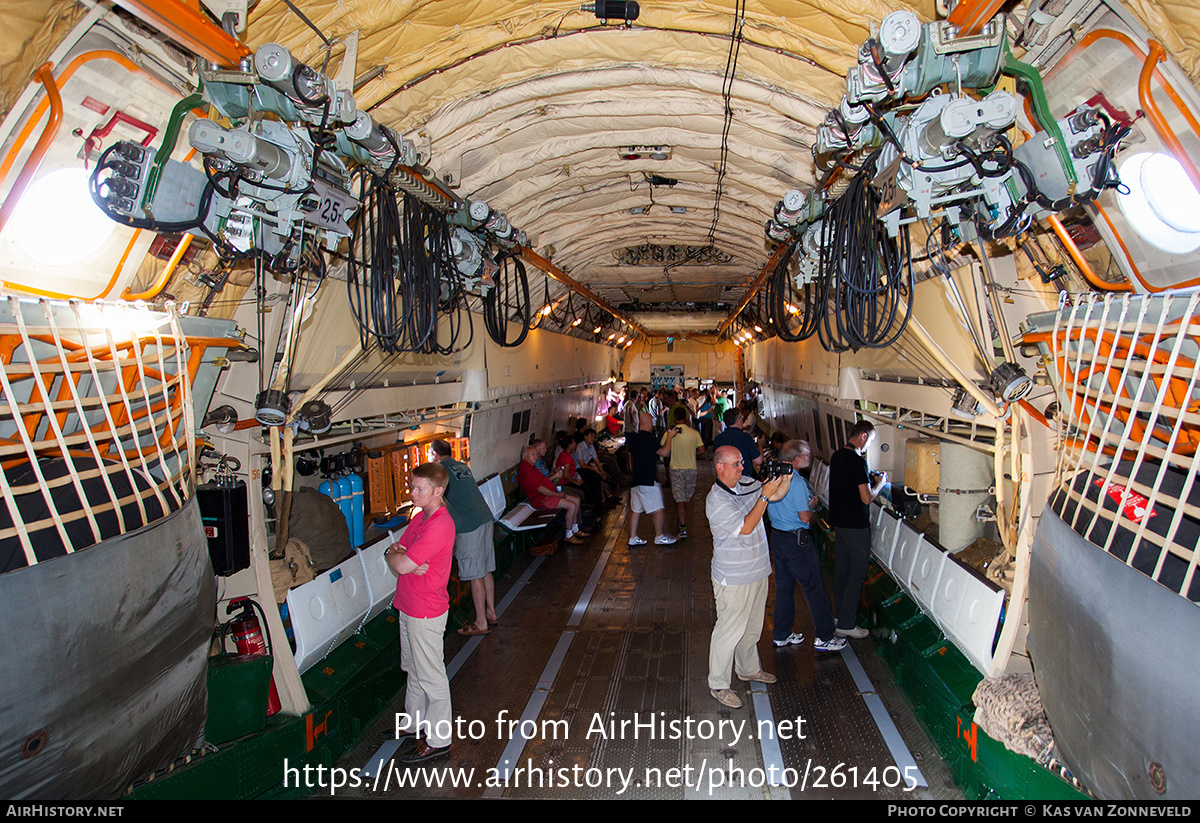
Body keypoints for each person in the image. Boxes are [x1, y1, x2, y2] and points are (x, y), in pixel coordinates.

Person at [705, 445, 790, 708]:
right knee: (729, 631)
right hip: (734, 576)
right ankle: (718, 684)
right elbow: (747, 527)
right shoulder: (716, 500)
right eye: (736, 464)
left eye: (742, 462)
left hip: (758, 571)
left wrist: (784, 479)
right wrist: (764, 495)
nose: (742, 467)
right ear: (720, 467)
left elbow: (775, 496)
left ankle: (748, 668)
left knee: (752, 628)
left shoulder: (746, 483)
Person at [385, 461, 455, 763]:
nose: (412, 492)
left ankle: (439, 739)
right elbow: (394, 551)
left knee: (432, 677)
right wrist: (396, 555)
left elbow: (400, 564)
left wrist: (401, 559)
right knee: (413, 671)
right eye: (412, 486)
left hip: (425, 612)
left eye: (419, 488)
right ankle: (414, 725)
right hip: (408, 606)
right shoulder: (419, 518)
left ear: (437, 491)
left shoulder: (440, 525)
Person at [766, 440, 846, 652]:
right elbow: (803, 517)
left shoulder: (773, 475)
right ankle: (825, 636)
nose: (809, 458)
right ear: (795, 459)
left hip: (778, 538)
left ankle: (781, 634)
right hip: (796, 542)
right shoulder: (799, 483)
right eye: (806, 455)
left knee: (784, 589)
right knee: (814, 589)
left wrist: (806, 504)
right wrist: (813, 513)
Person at [429, 440, 497, 637]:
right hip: (485, 518)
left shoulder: (439, 471)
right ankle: (491, 612)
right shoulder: (461, 466)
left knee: (475, 573)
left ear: (434, 454)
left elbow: (433, 497)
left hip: (469, 526)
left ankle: (481, 622)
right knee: (485, 570)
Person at [829, 420, 888, 638]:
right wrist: (879, 484)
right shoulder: (858, 462)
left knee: (842, 569)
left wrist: (868, 477)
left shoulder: (837, 456)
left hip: (840, 523)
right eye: (870, 440)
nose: (869, 445)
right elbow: (866, 498)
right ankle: (846, 624)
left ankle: (839, 615)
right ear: (863, 436)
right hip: (856, 526)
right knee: (857, 571)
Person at [517, 444, 588, 544]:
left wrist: (555, 481)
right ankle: (569, 535)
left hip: (549, 493)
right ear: (525, 456)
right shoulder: (526, 469)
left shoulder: (532, 467)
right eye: (532, 454)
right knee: (571, 506)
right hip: (541, 499)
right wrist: (557, 495)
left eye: (536, 454)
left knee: (576, 500)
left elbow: (543, 481)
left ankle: (575, 529)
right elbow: (541, 489)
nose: (536, 456)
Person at [627, 412, 676, 546]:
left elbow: (630, 460)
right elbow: (664, 452)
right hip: (648, 480)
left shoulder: (633, 438)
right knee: (658, 508)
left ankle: (633, 537)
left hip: (636, 480)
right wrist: (670, 437)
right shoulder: (649, 438)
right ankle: (659, 536)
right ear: (649, 423)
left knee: (635, 511)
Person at [660, 406, 704, 539]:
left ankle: (683, 526)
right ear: (686, 418)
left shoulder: (669, 433)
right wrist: (693, 452)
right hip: (691, 469)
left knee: (680, 499)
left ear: (674, 418)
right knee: (686, 498)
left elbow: (664, 449)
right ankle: (682, 521)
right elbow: (702, 450)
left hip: (676, 469)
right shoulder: (694, 433)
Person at [712, 409, 761, 479]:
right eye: (741, 417)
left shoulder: (718, 439)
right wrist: (760, 445)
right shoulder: (746, 437)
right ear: (737, 420)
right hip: (743, 478)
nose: (742, 419)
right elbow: (758, 461)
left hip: (725, 478)